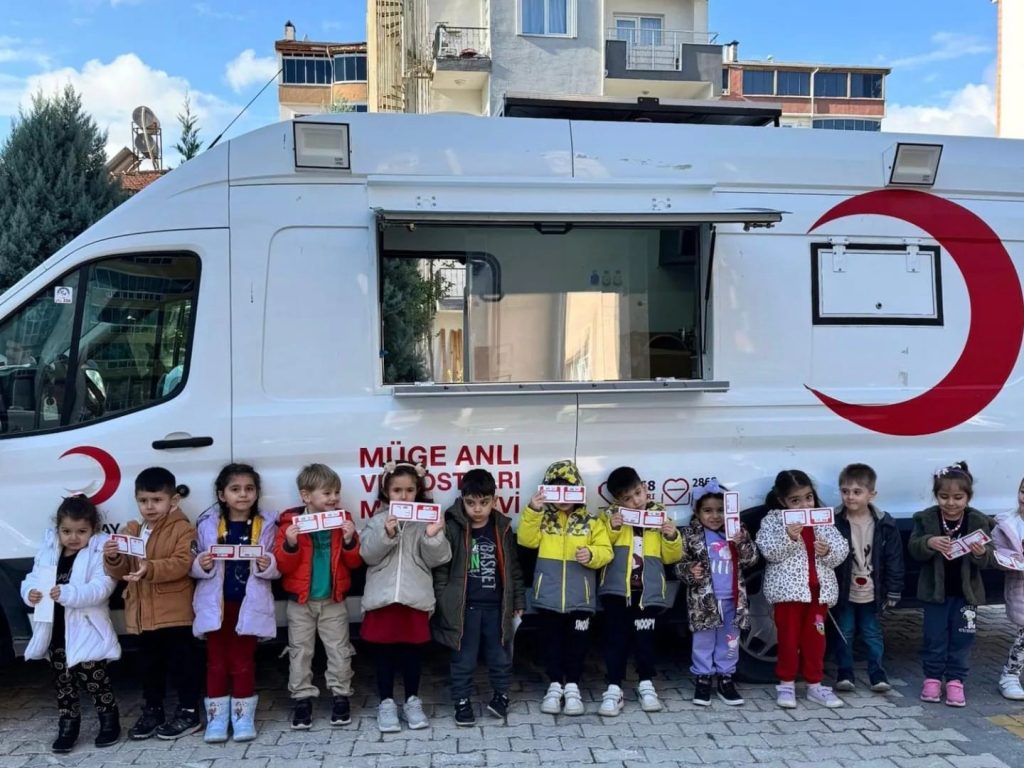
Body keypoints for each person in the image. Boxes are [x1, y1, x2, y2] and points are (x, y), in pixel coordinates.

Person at [103, 466, 200, 740]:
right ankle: (153, 710)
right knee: (149, 667)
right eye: (143, 500)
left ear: (173, 500)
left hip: (175, 613)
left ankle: (189, 712)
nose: (150, 506)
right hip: (142, 615)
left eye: (157, 500)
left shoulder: (183, 529)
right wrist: (113, 557)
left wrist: (151, 567)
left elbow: (183, 563)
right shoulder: (132, 530)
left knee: (183, 665)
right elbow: (121, 571)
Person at [21, 495, 121, 753]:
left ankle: (109, 722)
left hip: (86, 629)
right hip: (55, 631)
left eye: (81, 531)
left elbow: (102, 587)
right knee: (63, 684)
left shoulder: (98, 552)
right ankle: (68, 726)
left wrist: (68, 593)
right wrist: (30, 592)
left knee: (95, 680)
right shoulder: (49, 552)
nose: (73, 537)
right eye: (66, 531)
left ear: (93, 529)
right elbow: (32, 578)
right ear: (58, 529)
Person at [360, 461, 452, 733]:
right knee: (384, 654)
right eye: (397, 490)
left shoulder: (426, 520)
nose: (403, 496)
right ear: (386, 492)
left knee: (413, 654)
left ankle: (412, 700)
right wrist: (387, 533)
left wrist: (433, 536)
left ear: (418, 491)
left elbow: (439, 558)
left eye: (410, 490)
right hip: (383, 599)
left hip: (415, 598)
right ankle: (386, 703)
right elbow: (367, 555)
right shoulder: (377, 521)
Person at [517, 459, 613, 716]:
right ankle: (554, 685)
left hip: (580, 598)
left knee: (577, 644)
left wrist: (591, 554)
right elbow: (526, 540)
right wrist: (533, 510)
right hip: (548, 597)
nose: (562, 497)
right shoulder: (543, 519)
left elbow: (606, 551)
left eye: (568, 489)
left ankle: (572, 686)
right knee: (551, 643)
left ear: (578, 489)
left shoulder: (591, 521)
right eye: (555, 489)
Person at [192, 464, 279, 742]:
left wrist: (268, 564)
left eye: (249, 489)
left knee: (243, 662)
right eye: (235, 489)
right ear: (222, 495)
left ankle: (243, 718)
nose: (243, 494)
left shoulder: (266, 525)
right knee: (216, 662)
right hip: (217, 606)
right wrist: (201, 564)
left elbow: (277, 564)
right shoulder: (208, 525)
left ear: (257, 493)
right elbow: (193, 562)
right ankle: (216, 720)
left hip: (249, 606)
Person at [432, 468, 525, 726]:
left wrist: (518, 601)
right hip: (464, 609)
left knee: (500, 656)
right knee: (463, 658)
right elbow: (441, 569)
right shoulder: (453, 527)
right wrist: (444, 598)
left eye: (484, 502)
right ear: (462, 500)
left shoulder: (502, 528)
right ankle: (462, 701)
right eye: (471, 503)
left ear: (494, 500)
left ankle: (501, 696)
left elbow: (514, 569)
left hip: (497, 608)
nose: (477, 509)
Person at [274, 463, 362, 730]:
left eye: (336, 492)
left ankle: (340, 695)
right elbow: (282, 566)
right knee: (300, 651)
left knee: (339, 650)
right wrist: (290, 544)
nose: (334, 498)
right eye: (327, 493)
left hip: (333, 600)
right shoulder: (290, 524)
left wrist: (349, 540)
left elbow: (354, 562)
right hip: (300, 602)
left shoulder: (342, 521)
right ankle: (302, 698)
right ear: (306, 496)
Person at [755, 469, 849, 709]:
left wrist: (827, 552)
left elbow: (841, 549)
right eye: (795, 500)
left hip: (819, 594)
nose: (805, 505)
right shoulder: (774, 521)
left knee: (815, 641)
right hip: (788, 595)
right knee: (788, 640)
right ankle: (786, 684)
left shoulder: (821, 520)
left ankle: (815, 685)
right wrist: (789, 536)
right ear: (782, 501)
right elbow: (769, 552)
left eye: (808, 497)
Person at [597, 466, 682, 715]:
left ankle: (646, 683)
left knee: (645, 640)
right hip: (617, 592)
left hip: (648, 592)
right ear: (617, 501)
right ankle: (614, 687)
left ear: (645, 488)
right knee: (616, 639)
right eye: (627, 498)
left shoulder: (660, 517)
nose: (635, 501)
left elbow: (671, 557)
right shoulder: (609, 518)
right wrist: (613, 528)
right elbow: (601, 547)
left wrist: (671, 536)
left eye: (637, 493)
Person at [909, 462, 994, 707]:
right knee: (934, 637)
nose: (951, 503)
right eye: (944, 496)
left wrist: (980, 553)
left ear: (968, 497)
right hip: (935, 594)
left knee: (963, 638)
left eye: (958, 497)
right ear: (936, 495)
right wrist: (928, 542)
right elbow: (913, 548)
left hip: (967, 596)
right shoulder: (925, 519)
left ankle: (956, 680)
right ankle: (933, 678)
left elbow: (990, 558)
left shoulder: (978, 521)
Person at [677, 480, 758, 707]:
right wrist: (690, 571)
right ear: (697, 512)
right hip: (703, 602)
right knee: (703, 640)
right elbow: (679, 565)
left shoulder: (736, 532)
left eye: (720, 510)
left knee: (730, 640)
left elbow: (751, 559)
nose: (714, 516)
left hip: (733, 599)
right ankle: (703, 677)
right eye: (708, 510)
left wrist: (742, 542)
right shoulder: (692, 535)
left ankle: (726, 677)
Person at [832, 463, 904, 694]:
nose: (850, 497)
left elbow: (894, 559)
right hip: (844, 590)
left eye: (857, 492)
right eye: (845, 491)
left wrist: (894, 589)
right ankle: (845, 673)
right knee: (845, 632)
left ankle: (877, 673)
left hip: (872, 590)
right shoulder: (834, 521)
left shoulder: (885, 523)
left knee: (872, 633)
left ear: (871, 494)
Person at [994, 475, 1024, 700]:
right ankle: (1010, 675)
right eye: (1023, 491)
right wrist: (1010, 559)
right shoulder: (1007, 525)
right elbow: (997, 553)